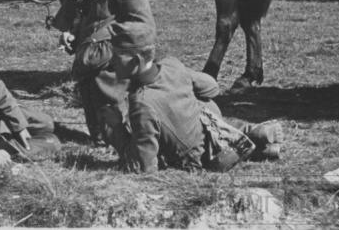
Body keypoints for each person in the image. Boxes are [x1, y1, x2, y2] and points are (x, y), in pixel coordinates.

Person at [109, 24, 284, 173]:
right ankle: (253, 137)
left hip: (197, 157)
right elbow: (212, 88)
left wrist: (115, 131)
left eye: (117, 57)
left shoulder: (142, 103)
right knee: (204, 106)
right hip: (209, 127)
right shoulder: (172, 65)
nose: (112, 63)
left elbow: (144, 166)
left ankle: (237, 148)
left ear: (137, 61)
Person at [51, 0, 155, 149]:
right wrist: (72, 32)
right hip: (89, 59)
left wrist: (108, 45)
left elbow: (143, 26)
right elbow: (89, 13)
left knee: (112, 122)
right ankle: (101, 140)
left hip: (109, 63)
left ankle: (121, 145)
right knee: (95, 120)